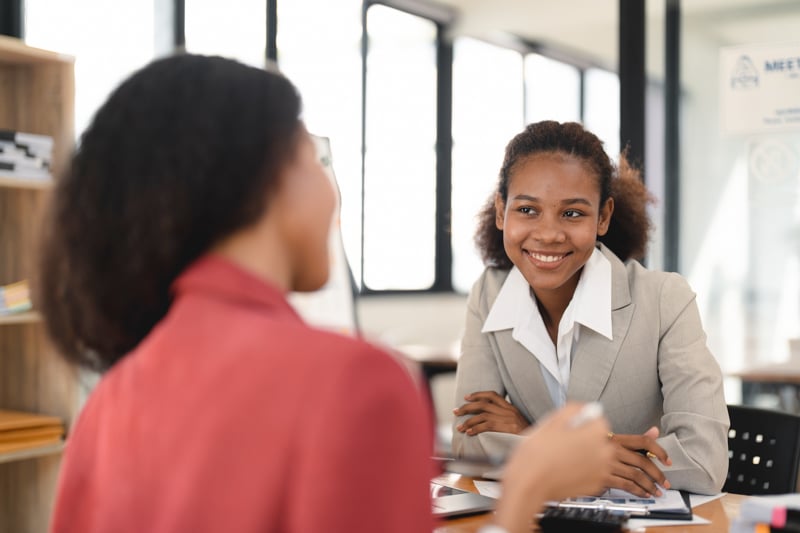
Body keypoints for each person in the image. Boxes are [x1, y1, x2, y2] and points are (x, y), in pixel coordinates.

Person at [37, 55, 613, 533]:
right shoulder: (356, 383)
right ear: (264, 183)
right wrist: (527, 494)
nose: (332, 194)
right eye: (313, 160)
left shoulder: (110, 402)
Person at [452, 120, 730, 497]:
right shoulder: (488, 294)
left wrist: (535, 439)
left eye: (572, 214)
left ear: (603, 217)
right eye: (527, 210)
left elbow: (703, 461)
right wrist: (581, 454)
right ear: (502, 212)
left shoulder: (665, 300)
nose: (548, 233)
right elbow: (469, 445)